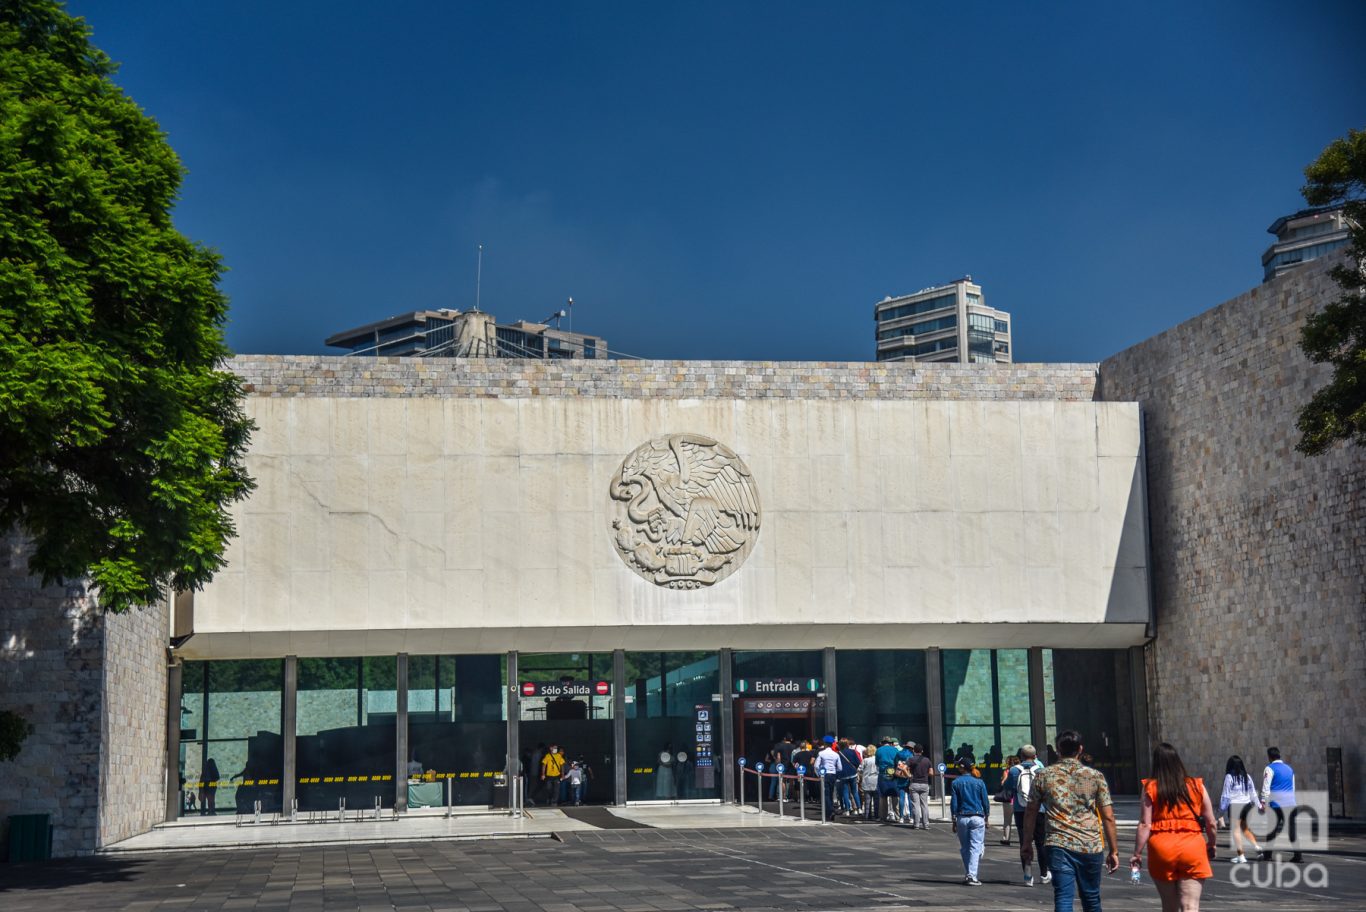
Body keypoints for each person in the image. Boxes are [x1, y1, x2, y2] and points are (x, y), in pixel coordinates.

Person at [1021, 730, 1119, 912]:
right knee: (1091, 898)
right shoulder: (1095, 776)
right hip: (1090, 844)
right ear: (1080, 749)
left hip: (1058, 843)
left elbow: (1031, 812)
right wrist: (1114, 850)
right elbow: (1108, 816)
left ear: (1058, 750)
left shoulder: (1044, 775)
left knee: (1063, 897)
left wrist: (1027, 843)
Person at [1130, 743, 1217, 912]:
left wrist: (1137, 853)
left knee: (1169, 906)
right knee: (1190, 906)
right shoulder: (1197, 785)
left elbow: (1145, 824)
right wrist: (1212, 844)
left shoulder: (1150, 787)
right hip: (1192, 846)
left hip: (1162, 848)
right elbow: (1211, 822)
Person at [1008, 745, 1050, 886]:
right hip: (1039, 810)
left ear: (1021, 755)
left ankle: (1028, 875)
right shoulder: (1041, 771)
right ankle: (1044, 874)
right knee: (1041, 842)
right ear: (1035, 756)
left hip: (1021, 810)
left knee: (1024, 842)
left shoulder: (1014, 771)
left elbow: (1009, 788)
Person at [951, 756, 991, 885]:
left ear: (962, 768)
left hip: (962, 816)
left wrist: (954, 819)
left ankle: (969, 872)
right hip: (977, 816)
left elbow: (954, 803)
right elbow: (985, 801)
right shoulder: (979, 782)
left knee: (965, 847)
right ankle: (972, 875)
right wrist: (987, 816)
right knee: (975, 846)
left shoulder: (956, 782)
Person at [1218, 755, 1263, 863]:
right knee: (1245, 829)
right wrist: (1259, 806)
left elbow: (1226, 795)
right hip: (1247, 806)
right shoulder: (1247, 776)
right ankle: (1256, 846)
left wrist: (1221, 811)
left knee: (1236, 831)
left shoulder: (1229, 777)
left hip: (1235, 806)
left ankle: (1241, 856)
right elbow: (1253, 793)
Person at [1260, 746, 1301, 863]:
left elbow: (1266, 787)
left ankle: (1267, 855)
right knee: (1292, 830)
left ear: (1269, 757)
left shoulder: (1269, 768)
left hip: (1276, 805)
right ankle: (1298, 856)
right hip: (1290, 803)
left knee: (1271, 830)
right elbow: (1292, 787)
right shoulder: (1289, 769)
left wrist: (1263, 802)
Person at [907, 742, 933, 829]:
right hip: (925, 784)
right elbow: (931, 773)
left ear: (914, 750)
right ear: (922, 751)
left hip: (914, 783)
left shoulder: (911, 759)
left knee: (915, 805)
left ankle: (916, 824)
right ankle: (926, 824)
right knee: (924, 805)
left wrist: (908, 775)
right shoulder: (927, 760)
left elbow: (903, 768)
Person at [875, 736, 900, 822]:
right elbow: (897, 763)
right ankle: (898, 816)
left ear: (882, 742)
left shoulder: (879, 750)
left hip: (883, 774)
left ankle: (883, 816)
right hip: (893, 773)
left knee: (883, 796)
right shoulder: (895, 750)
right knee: (895, 795)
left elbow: (877, 763)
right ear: (890, 743)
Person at [817, 735, 842, 818]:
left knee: (826, 794)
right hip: (833, 774)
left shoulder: (821, 753)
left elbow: (816, 766)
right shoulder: (836, 755)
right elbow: (840, 768)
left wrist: (818, 774)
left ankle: (830, 811)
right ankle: (830, 811)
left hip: (824, 775)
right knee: (831, 793)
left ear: (825, 743)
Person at [836, 738, 862, 816]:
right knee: (854, 792)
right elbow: (858, 762)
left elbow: (837, 765)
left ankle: (847, 810)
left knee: (845, 793)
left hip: (843, 775)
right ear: (847, 744)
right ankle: (859, 808)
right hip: (852, 773)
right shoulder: (853, 752)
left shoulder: (839, 753)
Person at [999, 755, 1020, 844]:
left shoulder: (1007, 771)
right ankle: (1024, 838)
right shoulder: (1020, 771)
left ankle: (1006, 838)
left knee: (1007, 820)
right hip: (1019, 799)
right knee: (1020, 820)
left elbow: (1003, 783)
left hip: (1009, 799)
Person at [858, 745, 880, 821]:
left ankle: (867, 815)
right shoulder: (878, 760)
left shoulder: (865, 760)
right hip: (876, 781)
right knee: (876, 800)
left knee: (867, 800)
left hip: (867, 781)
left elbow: (860, 770)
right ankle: (877, 815)